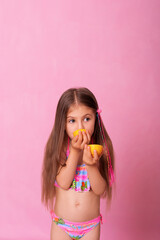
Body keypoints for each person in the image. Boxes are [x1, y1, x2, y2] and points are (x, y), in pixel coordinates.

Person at [41, 87, 115, 240]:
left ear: (96, 117)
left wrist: (91, 165)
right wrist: (75, 152)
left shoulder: (101, 148)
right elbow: (64, 182)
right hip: (62, 225)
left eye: (87, 119)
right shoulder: (60, 147)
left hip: (90, 227)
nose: (80, 127)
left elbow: (100, 189)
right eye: (72, 121)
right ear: (63, 122)